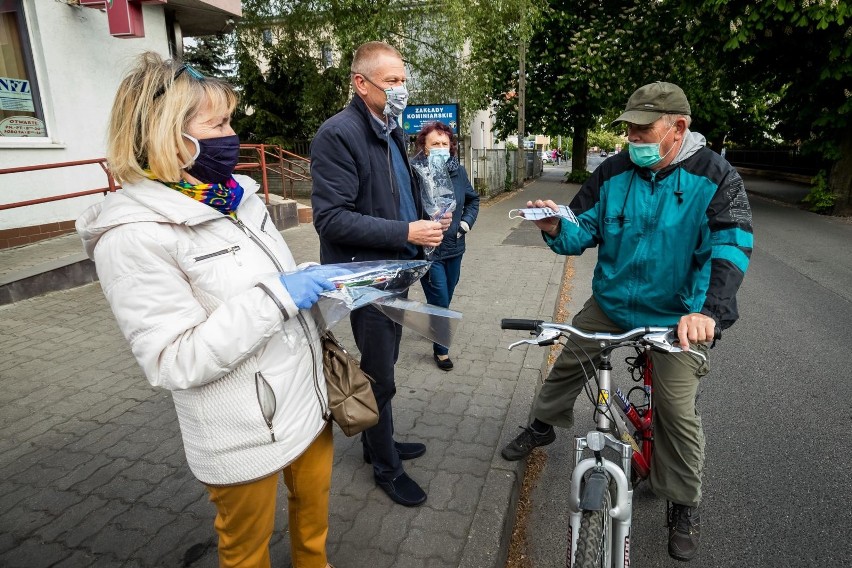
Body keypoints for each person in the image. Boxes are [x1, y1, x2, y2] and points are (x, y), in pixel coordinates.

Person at [75, 52, 340, 568]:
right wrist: (283, 295)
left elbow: (267, 287)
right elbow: (173, 359)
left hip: (307, 399)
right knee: (247, 552)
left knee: (315, 520)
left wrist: (327, 290)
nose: (231, 134)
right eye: (216, 123)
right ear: (165, 132)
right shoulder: (131, 237)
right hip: (243, 429)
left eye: (229, 120)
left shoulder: (238, 196)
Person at [501, 82, 753, 562]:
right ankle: (542, 425)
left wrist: (708, 312)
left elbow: (731, 245)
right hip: (614, 303)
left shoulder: (716, 176)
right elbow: (582, 225)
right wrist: (556, 225)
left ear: (678, 128)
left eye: (643, 128)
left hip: (680, 317)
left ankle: (682, 500)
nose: (632, 137)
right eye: (630, 128)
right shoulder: (614, 171)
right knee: (570, 356)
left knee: (676, 411)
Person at [310, 41, 448, 507]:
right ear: (360, 82)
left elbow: (393, 194)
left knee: (383, 367)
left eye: (403, 80)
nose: (401, 89)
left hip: (397, 268)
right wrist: (405, 229)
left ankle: (378, 443)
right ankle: (386, 466)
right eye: (392, 81)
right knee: (379, 376)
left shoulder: (388, 128)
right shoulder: (339, 134)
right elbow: (331, 219)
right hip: (366, 275)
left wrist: (428, 220)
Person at [411, 121, 480, 370]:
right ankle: (441, 349)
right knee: (440, 299)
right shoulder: (414, 173)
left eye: (444, 143)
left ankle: (435, 323)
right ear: (425, 148)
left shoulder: (458, 171)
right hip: (429, 250)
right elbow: (405, 208)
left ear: (450, 146)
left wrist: (465, 224)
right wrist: (423, 222)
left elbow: (473, 200)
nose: (440, 147)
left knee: (446, 295)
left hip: (455, 246)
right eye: (434, 143)